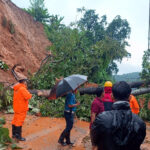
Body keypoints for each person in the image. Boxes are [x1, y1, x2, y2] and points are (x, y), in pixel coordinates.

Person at [91, 81, 146, 150]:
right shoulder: (140, 122)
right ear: (129, 97)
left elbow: (94, 140)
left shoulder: (101, 119)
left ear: (112, 96)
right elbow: (139, 142)